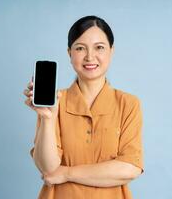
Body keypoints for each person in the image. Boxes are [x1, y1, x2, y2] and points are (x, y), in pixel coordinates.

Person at [23, 15, 144, 199]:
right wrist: (47, 118)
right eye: (80, 48)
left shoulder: (128, 104)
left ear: (111, 51)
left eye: (99, 48)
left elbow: (129, 168)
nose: (89, 56)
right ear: (69, 53)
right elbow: (48, 168)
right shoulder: (55, 102)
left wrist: (67, 173)